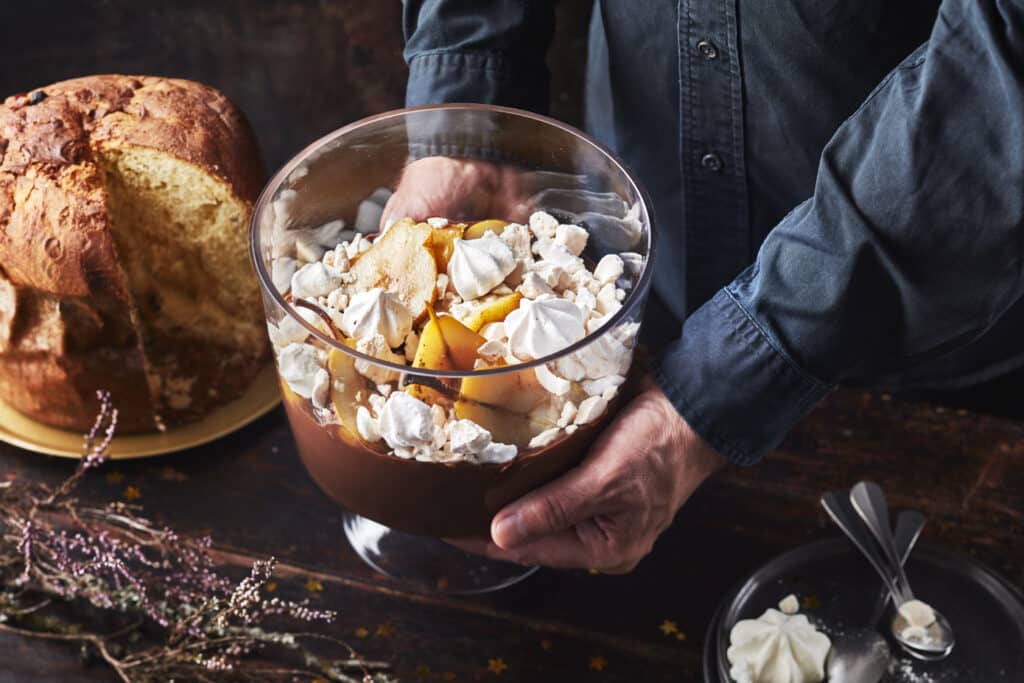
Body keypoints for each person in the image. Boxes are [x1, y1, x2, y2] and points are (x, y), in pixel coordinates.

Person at [386, 1, 1024, 573]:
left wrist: (718, 387)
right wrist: (467, 116)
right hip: (646, 275)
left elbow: (999, 77)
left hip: (935, 346)